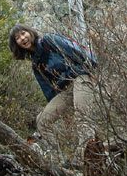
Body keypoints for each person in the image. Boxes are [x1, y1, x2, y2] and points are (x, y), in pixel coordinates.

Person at [8, 24, 97, 164]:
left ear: (30, 32)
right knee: (42, 121)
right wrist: (60, 110)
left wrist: (72, 74)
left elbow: (82, 56)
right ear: (16, 44)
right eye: (18, 38)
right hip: (67, 89)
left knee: (82, 116)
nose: (23, 38)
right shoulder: (36, 65)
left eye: (23, 33)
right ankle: (57, 161)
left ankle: (85, 157)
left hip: (82, 77)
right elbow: (50, 92)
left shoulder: (50, 40)